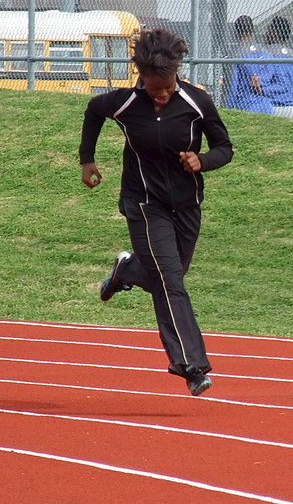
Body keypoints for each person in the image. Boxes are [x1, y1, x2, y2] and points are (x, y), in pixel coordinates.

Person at [79, 28, 234, 397]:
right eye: (153, 89)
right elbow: (93, 111)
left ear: (176, 76)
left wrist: (203, 160)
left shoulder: (197, 102)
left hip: (187, 207)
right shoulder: (126, 103)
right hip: (145, 205)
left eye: (166, 89)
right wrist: (87, 159)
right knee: (170, 282)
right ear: (141, 77)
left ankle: (128, 270)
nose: (161, 96)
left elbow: (225, 147)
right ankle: (191, 365)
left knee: (169, 274)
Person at [226, 15, 275, 115]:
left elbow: (232, 87)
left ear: (236, 31)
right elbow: (273, 81)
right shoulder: (266, 53)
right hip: (267, 107)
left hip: (246, 106)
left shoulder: (235, 54)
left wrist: (228, 109)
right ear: (252, 30)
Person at [263, 16, 293, 119]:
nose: (265, 34)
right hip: (290, 109)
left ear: (274, 33)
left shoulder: (265, 54)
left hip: (270, 107)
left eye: (268, 30)